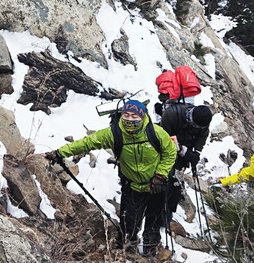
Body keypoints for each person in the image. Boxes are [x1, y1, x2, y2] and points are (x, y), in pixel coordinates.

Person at [44, 100, 176, 257]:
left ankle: (150, 245)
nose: (129, 119)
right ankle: (128, 247)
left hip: (157, 185)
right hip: (132, 186)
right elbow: (88, 143)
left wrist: (160, 175)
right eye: (126, 114)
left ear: (142, 116)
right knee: (129, 222)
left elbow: (170, 152)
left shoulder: (156, 132)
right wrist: (59, 153)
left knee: (154, 219)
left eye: (134, 115)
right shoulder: (115, 133)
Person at [157, 98, 213, 216]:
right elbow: (164, 139)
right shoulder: (171, 114)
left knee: (176, 181)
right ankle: (157, 208)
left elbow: (201, 139)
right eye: (194, 125)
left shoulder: (203, 124)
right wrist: (184, 151)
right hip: (165, 151)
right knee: (165, 177)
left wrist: (195, 154)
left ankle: (168, 212)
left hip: (183, 154)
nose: (196, 128)